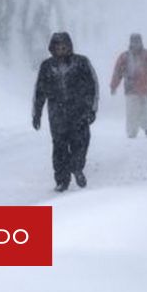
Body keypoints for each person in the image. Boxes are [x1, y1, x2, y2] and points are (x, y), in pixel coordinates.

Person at [33, 32, 99, 192]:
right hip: (57, 114)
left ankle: (77, 168)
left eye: (64, 46)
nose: (61, 49)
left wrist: (91, 109)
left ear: (70, 46)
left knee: (80, 143)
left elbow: (93, 87)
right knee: (59, 147)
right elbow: (39, 91)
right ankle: (62, 180)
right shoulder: (47, 66)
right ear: (52, 48)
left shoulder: (81, 63)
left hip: (79, 112)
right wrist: (37, 112)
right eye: (58, 47)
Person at [110, 33, 147, 138]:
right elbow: (117, 72)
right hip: (131, 90)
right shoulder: (124, 57)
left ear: (141, 42)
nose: (136, 44)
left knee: (146, 109)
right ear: (130, 43)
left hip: (146, 88)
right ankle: (132, 132)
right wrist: (113, 86)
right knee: (132, 112)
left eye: (137, 42)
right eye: (134, 42)